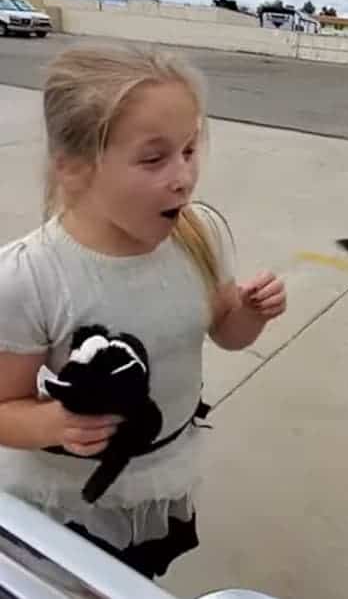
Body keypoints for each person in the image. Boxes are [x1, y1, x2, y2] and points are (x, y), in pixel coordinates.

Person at [0, 46, 286, 580]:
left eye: (189, 149)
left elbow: (227, 333)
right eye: (153, 159)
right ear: (74, 169)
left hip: (161, 474)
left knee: (138, 580)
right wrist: (52, 422)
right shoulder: (30, 277)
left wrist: (250, 313)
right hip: (69, 500)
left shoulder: (200, 234)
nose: (183, 177)